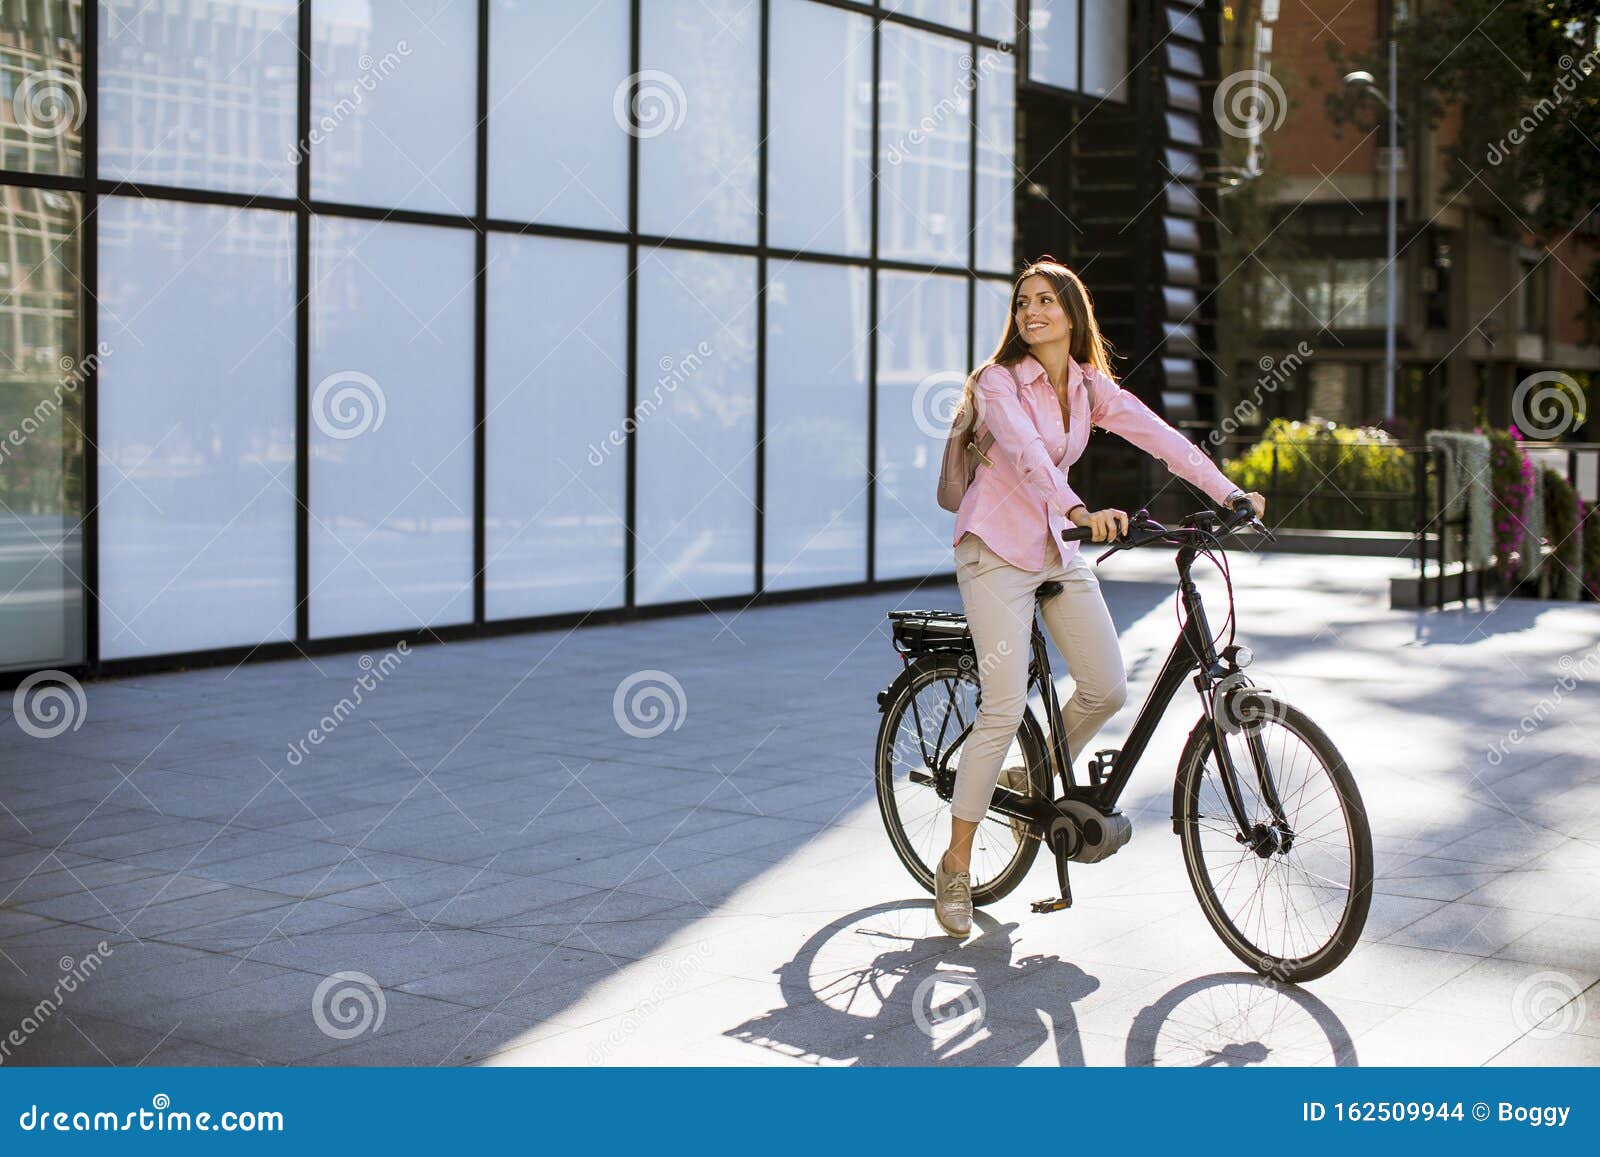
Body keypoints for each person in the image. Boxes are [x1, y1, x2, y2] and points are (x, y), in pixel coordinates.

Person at [935, 256, 1266, 938]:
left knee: (1106, 687)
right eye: (1023, 301)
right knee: (1002, 704)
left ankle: (1030, 776)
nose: (1031, 310)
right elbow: (1026, 454)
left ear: (1072, 313)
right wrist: (1080, 508)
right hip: (995, 549)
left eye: (1046, 300)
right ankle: (957, 863)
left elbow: (1162, 438)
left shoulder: (1088, 386)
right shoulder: (998, 382)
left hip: (1054, 547)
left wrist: (1226, 491)